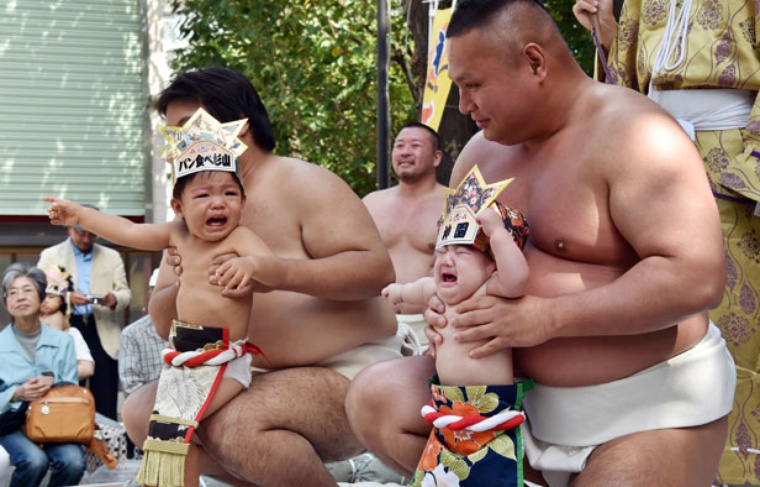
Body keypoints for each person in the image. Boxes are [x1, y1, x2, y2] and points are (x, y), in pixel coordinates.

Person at [345, 1, 736, 486]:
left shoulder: (635, 134)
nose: (464, 105)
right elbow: (456, 265)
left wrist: (544, 318)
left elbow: (696, 279)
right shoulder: (478, 155)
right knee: (377, 397)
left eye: (473, 85)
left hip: (643, 409)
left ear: (534, 62)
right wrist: (444, 305)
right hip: (508, 403)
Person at [117, 66, 401, 487]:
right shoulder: (192, 213)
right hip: (238, 371)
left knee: (238, 425)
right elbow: (164, 324)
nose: (174, 146)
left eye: (183, 129)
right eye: (170, 133)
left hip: (347, 368)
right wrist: (182, 283)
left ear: (239, 127)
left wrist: (279, 273)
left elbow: (375, 270)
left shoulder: (301, 182)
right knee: (144, 415)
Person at [44, 106, 288, 487]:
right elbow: (127, 232)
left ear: (243, 200)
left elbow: (275, 272)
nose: (218, 202)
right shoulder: (178, 235)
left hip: (224, 359)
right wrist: (80, 215)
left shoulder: (241, 239)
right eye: (203, 194)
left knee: (176, 427)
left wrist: (253, 267)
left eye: (229, 192)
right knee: (167, 436)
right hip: (183, 357)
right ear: (179, 207)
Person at [572, 0, 760, 482]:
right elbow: (626, 82)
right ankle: (660, 458)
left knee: (740, 318)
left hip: (735, 163)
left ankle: (741, 468)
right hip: (653, 159)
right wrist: (607, 32)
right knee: (659, 312)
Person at [382, 166, 532, 486]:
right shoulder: (437, 293)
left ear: (491, 265)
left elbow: (518, 278)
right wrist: (396, 294)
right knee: (442, 474)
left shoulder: (490, 291)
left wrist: (497, 234)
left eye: (461, 252)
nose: (447, 259)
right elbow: (415, 290)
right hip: (444, 404)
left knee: (491, 476)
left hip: (490, 408)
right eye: (442, 251)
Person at [37, 205, 131, 420]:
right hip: (66, 328)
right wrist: (68, 297)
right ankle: (66, 439)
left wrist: (114, 299)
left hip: (103, 330)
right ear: (69, 229)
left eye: (92, 233)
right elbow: (40, 293)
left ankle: (105, 448)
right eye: (81, 233)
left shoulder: (112, 256)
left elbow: (126, 294)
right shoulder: (51, 255)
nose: (87, 239)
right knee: (67, 390)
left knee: (105, 395)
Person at [363, 122, 446, 354]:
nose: (405, 152)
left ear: (436, 158)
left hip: (434, 324)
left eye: (415, 146)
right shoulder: (371, 203)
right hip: (376, 324)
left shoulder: (455, 203)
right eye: (399, 146)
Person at [0, 263, 86, 487]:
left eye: (27, 290)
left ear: (41, 298)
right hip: (10, 424)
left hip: (55, 422)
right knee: (33, 461)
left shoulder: (63, 341)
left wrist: (54, 383)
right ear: (6, 303)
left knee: (74, 462)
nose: (20, 297)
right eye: (13, 293)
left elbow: (73, 391)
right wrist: (15, 394)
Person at [39, 265, 95, 381]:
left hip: (62, 391)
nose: (45, 301)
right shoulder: (26, 329)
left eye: (51, 297)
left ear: (62, 300)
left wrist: (56, 378)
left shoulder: (71, 333)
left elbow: (87, 368)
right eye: (42, 297)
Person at [118, 269, 167, 399]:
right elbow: (130, 385)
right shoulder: (132, 334)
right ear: (150, 295)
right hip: (148, 409)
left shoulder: (194, 328)